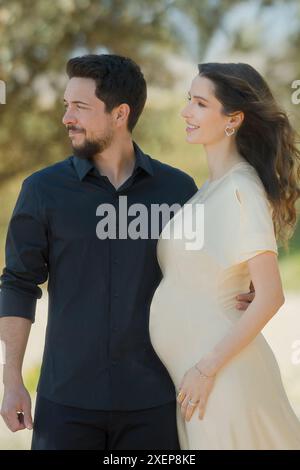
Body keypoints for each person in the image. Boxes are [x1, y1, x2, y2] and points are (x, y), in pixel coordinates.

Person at [0, 55, 254, 450]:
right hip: (66, 403)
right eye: (66, 105)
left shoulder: (177, 190)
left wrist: (242, 287)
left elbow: (206, 270)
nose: (67, 117)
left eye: (80, 107)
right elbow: (18, 282)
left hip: (155, 404)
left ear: (120, 114)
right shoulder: (42, 190)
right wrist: (12, 379)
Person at [149, 62, 300, 450]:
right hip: (199, 379)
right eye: (188, 101)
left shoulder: (240, 189)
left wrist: (206, 368)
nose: (186, 112)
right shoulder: (209, 189)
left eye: (200, 103)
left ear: (233, 119)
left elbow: (271, 295)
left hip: (220, 377)